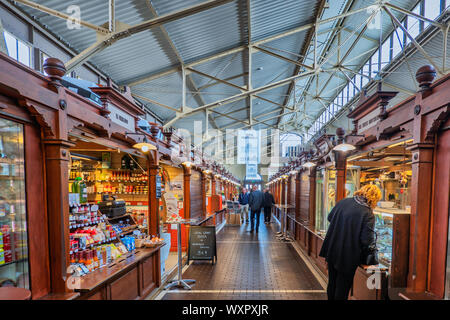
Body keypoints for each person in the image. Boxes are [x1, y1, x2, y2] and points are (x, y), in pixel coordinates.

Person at [319, 184, 381, 300]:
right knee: (342, 288)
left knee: (332, 283)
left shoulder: (344, 202)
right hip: (348, 255)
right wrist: (373, 259)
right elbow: (367, 240)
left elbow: (329, 217)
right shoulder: (367, 213)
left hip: (332, 249)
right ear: (374, 198)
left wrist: (343, 227)